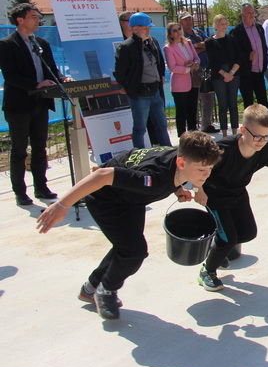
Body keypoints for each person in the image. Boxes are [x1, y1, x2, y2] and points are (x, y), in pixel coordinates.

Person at [35, 131, 221, 320]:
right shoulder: (153, 179)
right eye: (202, 170)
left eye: (210, 168)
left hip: (132, 198)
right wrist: (62, 205)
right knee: (134, 252)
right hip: (105, 199)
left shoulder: (182, 159)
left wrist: (178, 188)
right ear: (181, 163)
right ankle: (106, 290)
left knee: (126, 247)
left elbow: (165, 169)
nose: (207, 175)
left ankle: (89, 288)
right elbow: (101, 175)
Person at [195, 104, 268, 291]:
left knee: (248, 233)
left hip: (238, 193)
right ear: (243, 130)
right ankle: (207, 271)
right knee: (228, 239)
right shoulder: (223, 149)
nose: (261, 141)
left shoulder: (264, 150)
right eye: (257, 136)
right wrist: (199, 190)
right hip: (215, 196)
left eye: (266, 136)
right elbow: (200, 167)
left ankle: (217, 247)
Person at [0, 3, 74, 206]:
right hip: (19, 106)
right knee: (19, 150)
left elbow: (52, 70)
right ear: (20, 20)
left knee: (40, 148)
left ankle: (41, 187)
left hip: (41, 103)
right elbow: (11, 76)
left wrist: (63, 79)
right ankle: (20, 192)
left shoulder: (41, 43)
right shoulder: (7, 44)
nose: (37, 20)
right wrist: (35, 84)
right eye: (33, 16)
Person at [113, 12, 172, 149]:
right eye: (145, 28)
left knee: (162, 124)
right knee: (140, 128)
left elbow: (159, 60)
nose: (148, 30)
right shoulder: (126, 47)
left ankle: (168, 151)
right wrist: (128, 87)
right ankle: (140, 154)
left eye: (149, 28)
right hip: (139, 93)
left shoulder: (152, 42)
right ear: (135, 29)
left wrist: (161, 75)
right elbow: (119, 72)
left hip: (155, 91)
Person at [205, 14, 244, 137]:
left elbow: (239, 58)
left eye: (226, 24)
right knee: (222, 104)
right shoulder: (210, 42)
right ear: (215, 25)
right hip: (218, 75)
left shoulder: (232, 40)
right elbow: (212, 62)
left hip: (233, 74)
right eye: (222, 24)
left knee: (233, 103)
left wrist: (231, 73)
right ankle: (224, 134)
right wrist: (224, 74)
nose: (224, 26)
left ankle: (235, 132)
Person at [180, 12, 217, 134]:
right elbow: (187, 51)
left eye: (190, 19)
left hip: (206, 68)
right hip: (193, 70)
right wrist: (199, 48)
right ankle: (193, 125)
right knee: (193, 98)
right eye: (185, 20)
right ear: (180, 22)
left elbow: (209, 43)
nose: (188, 22)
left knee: (208, 97)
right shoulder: (181, 36)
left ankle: (206, 125)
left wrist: (196, 46)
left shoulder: (198, 32)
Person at [164, 21, 201, 136]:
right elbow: (172, 67)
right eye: (174, 30)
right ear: (170, 34)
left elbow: (196, 58)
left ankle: (193, 136)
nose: (178, 32)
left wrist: (195, 64)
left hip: (192, 81)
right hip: (179, 84)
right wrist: (188, 69)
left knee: (192, 109)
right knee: (181, 112)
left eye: (179, 29)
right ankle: (182, 136)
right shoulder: (168, 48)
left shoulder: (188, 42)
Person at [231, 3, 268, 112]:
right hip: (245, 72)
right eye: (249, 13)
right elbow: (235, 53)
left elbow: (264, 47)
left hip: (259, 71)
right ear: (242, 14)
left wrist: (265, 62)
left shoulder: (259, 28)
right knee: (248, 103)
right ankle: (249, 123)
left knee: (263, 101)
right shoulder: (237, 31)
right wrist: (248, 56)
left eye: (253, 13)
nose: (252, 15)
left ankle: (266, 122)